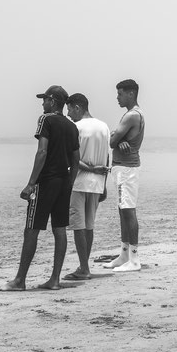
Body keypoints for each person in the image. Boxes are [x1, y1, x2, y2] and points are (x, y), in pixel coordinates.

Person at [0, 85, 80, 291]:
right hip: (63, 182)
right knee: (59, 229)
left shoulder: (46, 120)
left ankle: (20, 280)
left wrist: (31, 183)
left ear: (53, 101)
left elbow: (42, 152)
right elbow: (76, 158)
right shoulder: (72, 126)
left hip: (47, 181)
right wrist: (69, 182)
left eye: (44, 100)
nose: (42, 103)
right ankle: (54, 280)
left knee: (31, 229)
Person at [63, 93, 111, 281]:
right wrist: (104, 184)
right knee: (89, 225)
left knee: (78, 226)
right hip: (98, 182)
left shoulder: (76, 127)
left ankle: (84, 268)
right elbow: (107, 158)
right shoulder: (104, 126)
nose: (68, 114)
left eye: (69, 109)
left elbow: (72, 158)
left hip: (79, 181)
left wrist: (90, 168)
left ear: (77, 107)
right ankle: (84, 265)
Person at [103, 79, 145, 273]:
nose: (117, 98)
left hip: (127, 169)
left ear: (130, 93)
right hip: (124, 168)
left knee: (128, 211)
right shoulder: (131, 115)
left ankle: (134, 259)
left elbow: (111, 140)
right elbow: (115, 139)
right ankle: (124, 254)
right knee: (122, 209)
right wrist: (118, 140)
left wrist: (116, 139)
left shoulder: (132, 116)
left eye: (120, 94)